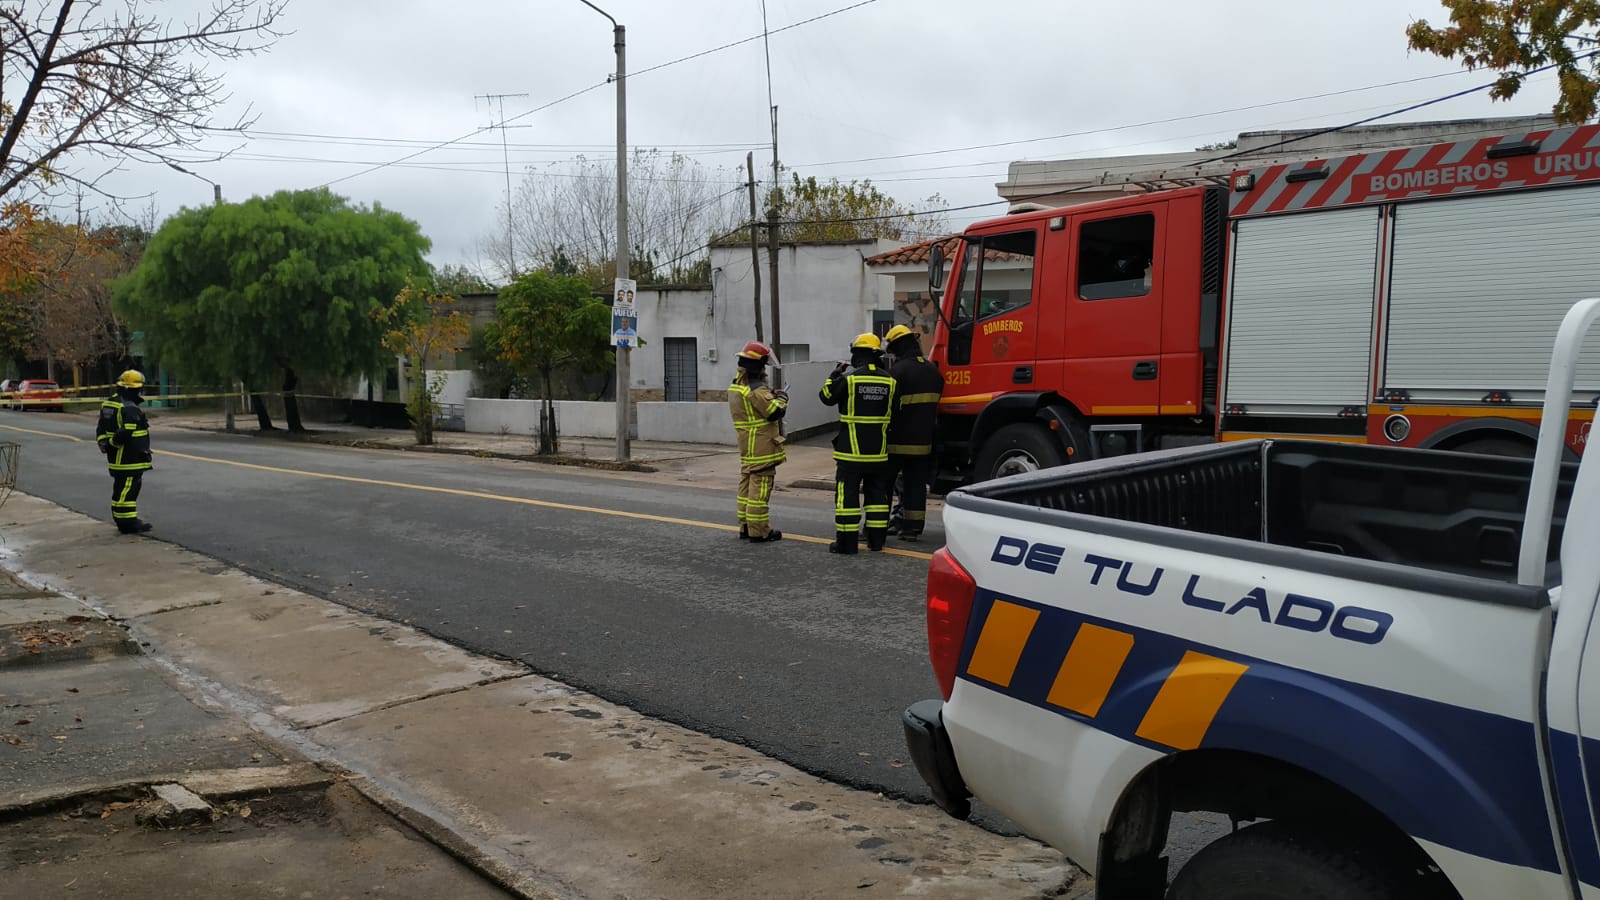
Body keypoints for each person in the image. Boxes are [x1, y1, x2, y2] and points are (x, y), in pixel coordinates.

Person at [819, 332, 896, 554]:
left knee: (847, 497)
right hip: (879, 453)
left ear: (857, 355)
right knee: (878, 498)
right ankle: (876, 542)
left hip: (850, 453)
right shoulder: (890, 381)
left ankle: (847, 543)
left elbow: (826, 396)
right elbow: (896, 412)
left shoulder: (849, 379)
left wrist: (833, 375)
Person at [883, 325, 942, 541]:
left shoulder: (897, 372)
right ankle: (912, 528)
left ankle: (878, 526)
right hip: (923, 443)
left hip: (896, 442)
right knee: (916, 486)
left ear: (898, 347)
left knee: (885, 485)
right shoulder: (933, 371)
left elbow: (888, 408)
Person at [728, 341, 787, 543]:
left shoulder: (737, 385)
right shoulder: (756, 390)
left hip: (747, 446)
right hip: (762, 447)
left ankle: (745, 526)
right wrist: (782, 399)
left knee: (745, 487)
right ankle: (760, 531)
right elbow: (774, 412)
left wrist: (770, 395)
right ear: (759, 364)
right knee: (760, 489)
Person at [95, 369, 153, 534]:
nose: (139, 392)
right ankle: (128, 523)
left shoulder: (109, 404)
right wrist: (113, 443)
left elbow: (101, 428)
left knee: (120, 489)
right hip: (129, 458)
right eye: (138, 389)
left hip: (118, 458)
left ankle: (123, 520)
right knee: (129, 490)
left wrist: (103, 443)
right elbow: (127, 432)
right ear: (131, 389)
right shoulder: (130, 408)